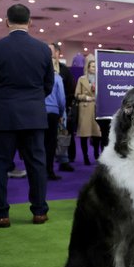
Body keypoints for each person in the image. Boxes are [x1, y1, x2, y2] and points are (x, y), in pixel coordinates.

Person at [0, 4, 54, 228]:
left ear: (6, 21)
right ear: (30, 22)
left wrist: (1, 101)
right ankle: (40, 211)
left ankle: (1, 214)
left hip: (2, 115)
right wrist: (31, 100)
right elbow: (48, 85)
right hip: (33, 115)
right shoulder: (43, 49)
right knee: (37, 165)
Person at [49, 42, 76, 172]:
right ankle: (47, 165)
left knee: (63, 135)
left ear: (58, 53)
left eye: (51, 51)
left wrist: (66, 105)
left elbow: (71, 88)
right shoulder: (42, 68)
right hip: (47, 108)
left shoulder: (64, 70)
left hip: (62, 107)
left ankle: (64, 160)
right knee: (48, 138)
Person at [74, 59, 102, 164]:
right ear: (88, 67)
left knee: (97, 134)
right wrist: (86, 97)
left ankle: (96, 154)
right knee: (84, 135)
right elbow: (77, 95)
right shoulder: (81, 79)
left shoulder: (100, 79)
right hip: (85, 109)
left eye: (95, 66)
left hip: (96, 108)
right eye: (92, 66)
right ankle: (85, 156)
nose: (94, 68)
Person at [44, 60, 66, 181]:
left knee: (39, 143)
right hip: (53, 113)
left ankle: (39, 171)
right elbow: (61, 98)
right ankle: (50, 171)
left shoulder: (38, 77)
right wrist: (61, 113)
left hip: (38, 112)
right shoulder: (57, 78)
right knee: (51, 143)